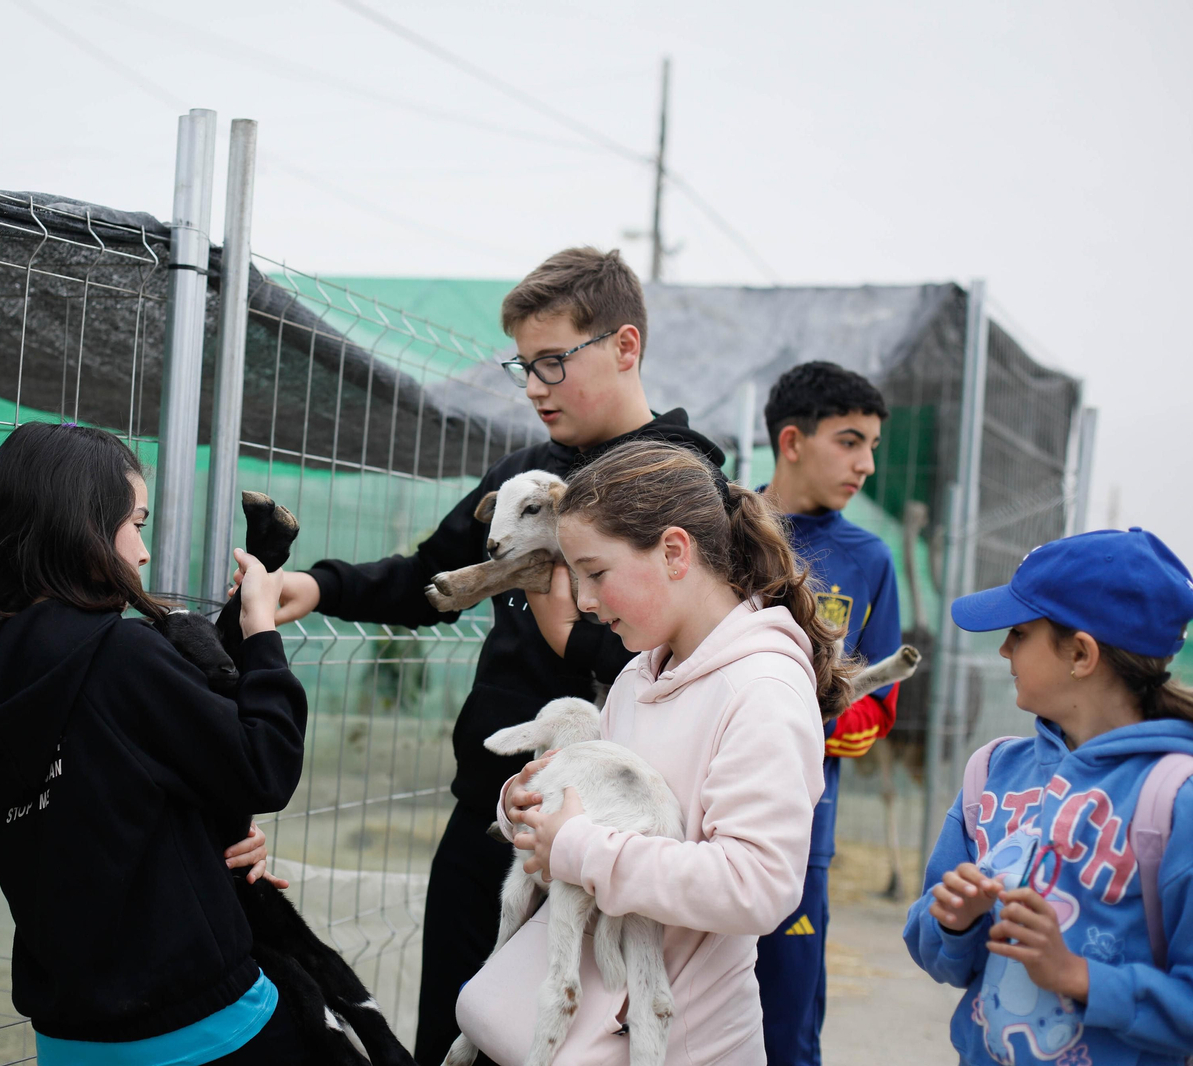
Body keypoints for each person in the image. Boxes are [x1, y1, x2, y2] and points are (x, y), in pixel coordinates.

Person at [270, 246, 725, 1064]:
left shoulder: (677, 484)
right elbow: (430, 577)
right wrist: (318, 585)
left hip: (597, 841)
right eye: (524, 365)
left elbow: (686, 654)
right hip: (486, 813)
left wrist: (571, 634)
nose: (535, 387)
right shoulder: (526, 473)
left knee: (560, 1041)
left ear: (625, 346)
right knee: (453, 1030)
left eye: (553, 361)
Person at [0, 421, 310, 1065]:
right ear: (82, 526)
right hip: (200, 1026)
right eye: (135, 523)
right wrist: (259, 629)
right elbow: (264, 767)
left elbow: (104, 804)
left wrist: (207, 837)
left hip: (71, 1037)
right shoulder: (118, 655)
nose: (142, 552)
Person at [464, 440, 840, 1065]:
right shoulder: (639, 676)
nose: (583, 602)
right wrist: (530, 806)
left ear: (673, 552)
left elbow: (757, 885)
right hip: (603, 1030)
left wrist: (580, 847)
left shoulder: (763, 690)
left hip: (690, 1046)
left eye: (596, 573)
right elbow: (594, 812)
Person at [904, 527, 1193, 1066]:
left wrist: (1079, 976)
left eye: (1019, 633)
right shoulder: (992, 772)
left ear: (1080, 653)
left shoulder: (1177, 798)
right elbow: (934, 951)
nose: (1003, 649)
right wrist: (954, 922)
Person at [754, 361, 903, 1066]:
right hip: (694, 815)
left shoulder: (868, 559)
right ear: (791, 440)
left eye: (872, 445)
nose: (866, 464)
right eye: (849, 442)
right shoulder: (714, 528)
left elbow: (880, 702)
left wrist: (798, 728)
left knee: (786, 1025)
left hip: (800, 825)